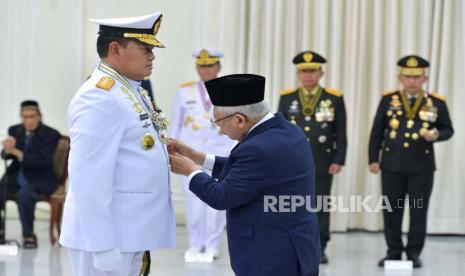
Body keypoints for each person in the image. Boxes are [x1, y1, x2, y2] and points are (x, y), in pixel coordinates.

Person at [59, 12, 175, 276]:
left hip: (128, 231)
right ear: (115, 49)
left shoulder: (129, 89)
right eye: (145, 48)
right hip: (108, 236)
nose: (152, 56)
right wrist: (102, 245)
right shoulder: (99, 97)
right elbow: (88, 177)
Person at [169, 74, 320, 276]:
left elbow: (222, 196)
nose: (220, 131)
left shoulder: (258, 148)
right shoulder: (287, 130)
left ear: (240, 119)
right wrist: (197, 157)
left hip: (271, 254)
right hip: (294, 245)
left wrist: (190, 170)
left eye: (218, 122)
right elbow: (248, 174)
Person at [368, 55, 454, 268]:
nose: (412, 81)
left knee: (418, 211)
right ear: (400, 77)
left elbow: (448, 129)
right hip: (391, 165)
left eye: (416, 77)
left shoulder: (436, 102)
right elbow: (377, 132)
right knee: (391, 210)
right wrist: (373, 159)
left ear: (424, 78)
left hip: (421, 167)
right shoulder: (389, 100)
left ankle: (414, 252)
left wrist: (437, 134)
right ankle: (393, 252)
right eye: (407, 76)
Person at [278, 51, 347, 264]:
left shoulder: (333, 98)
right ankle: (293, 245)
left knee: (320, 205)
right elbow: (280, 131)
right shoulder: (287, 97)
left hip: (323, 161)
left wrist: (339, 159)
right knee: (293, 205)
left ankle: (320, 247)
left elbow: (341, 132)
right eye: (303, 71)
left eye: (312, 71)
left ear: (321, 72)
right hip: (292, 163)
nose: (308, 75)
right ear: (298, 73)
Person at [169, 48, 236, 262]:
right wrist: (172, 149)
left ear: (218, 67)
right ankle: (196, 244)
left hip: (220, 152)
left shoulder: (229, 91)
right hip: (190, 153)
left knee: (217, 203)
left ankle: (212, 245)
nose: (205, 70)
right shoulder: (184, 92)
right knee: (193, 202)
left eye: (209, 65)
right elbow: (176, 123)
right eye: (201, 66)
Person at [0, 100, 60, 249]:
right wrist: (7, 149)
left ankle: (29, 235)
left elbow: (41, 161)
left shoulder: (51, 135)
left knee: (24, 195)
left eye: (32, 116)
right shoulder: (15, 130)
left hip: (39, 177)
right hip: (17, 175)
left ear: (40, 116)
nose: (28, 121)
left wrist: (15, 151)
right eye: (25, 117)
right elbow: (6, 156)